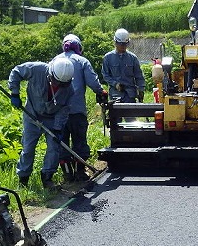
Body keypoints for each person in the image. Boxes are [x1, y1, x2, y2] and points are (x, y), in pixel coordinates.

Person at [8, 56, 75, 189]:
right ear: (51, 73)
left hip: (52, 119)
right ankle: (23, 180)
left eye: (61, 84)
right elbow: (16, 72)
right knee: (28, 148)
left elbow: (64, 109)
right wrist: (14, 93)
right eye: (55, 81)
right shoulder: (37, 69)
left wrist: (57, 128)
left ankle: (47, 178)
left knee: (53, 148)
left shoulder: (69, 89)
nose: (57, 85)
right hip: (31, 115)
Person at [53, 34, 107, 182]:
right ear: (78, 46)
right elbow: (93, 82)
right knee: (79, 141)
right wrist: (101, 92)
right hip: (77, 110)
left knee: (61, 141)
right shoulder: (82, 61)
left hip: (58, 111)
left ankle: (67, 174)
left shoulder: (55, 61)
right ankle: (80, 172)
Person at [102, 29, 145, 103]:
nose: (123, 46)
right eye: (120, 44)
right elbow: (105, 75)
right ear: (115, 42)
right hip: (115, 96)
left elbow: (139, 76)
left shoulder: (133, 58)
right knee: (116, 114)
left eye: (125, 44)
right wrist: (115, 84)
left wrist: (141, 90)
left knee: (130, 114)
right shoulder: (108, 58)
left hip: (130, 95)